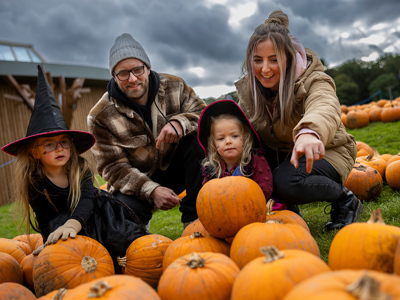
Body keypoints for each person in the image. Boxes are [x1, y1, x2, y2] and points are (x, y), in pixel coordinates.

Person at [1, 65, 147, 264]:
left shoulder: (79, 168)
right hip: (62, 224)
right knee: (62, 236)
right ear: (35, 152)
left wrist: (73, 223)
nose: (59, 149)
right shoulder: (34, 182)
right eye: (50, 144)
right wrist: (47, 244)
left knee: (125, 243)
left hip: (95, 214)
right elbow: (44, 218)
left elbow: (86, 201)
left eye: (64, 142)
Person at [235, 10, 362, 231]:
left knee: (286, 183)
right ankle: (288, 209)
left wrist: (309, 132)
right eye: (258, 60)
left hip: (326, 150)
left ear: (288, 57)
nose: (265, 69)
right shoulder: (250, 91)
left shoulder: (314, 79)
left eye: (273, 60)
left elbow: (324, 106)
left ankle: (345, 200)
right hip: (283, 154)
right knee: (251, 170)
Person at [87, 33, 206, 228]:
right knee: (122, 211)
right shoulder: (100, 116)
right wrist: (152, 190)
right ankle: (139, 237)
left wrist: (179, 123)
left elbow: (203, 113)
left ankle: (194, 221)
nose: (132, 79)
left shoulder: (175, 86)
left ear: (148, 68)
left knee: (200, 142)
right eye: (123, 73)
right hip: (137, 179)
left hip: (179, 167)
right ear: (114, 76)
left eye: (137, 70)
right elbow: (113, 168)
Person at [197, 99, 286, 211]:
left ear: (245, 138)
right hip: (225, 211)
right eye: (221, 138)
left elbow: (265, 187)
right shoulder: (212, 168)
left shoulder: (254, 159)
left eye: (234, 136)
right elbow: (207, 195)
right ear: (213, 144)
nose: (228, 141)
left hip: (255, 207)